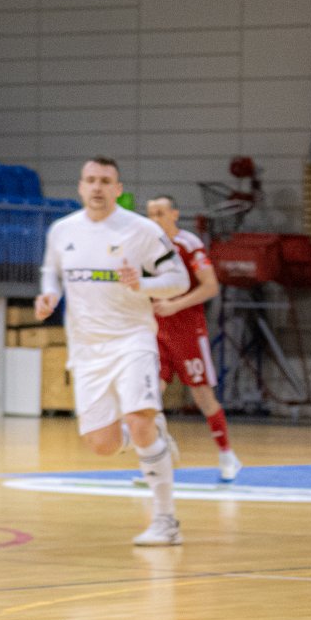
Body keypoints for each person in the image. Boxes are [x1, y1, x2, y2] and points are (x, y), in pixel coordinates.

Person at [35, 159, 191, 546]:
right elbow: (51, 270)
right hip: (87, 349)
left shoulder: (141, 230)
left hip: (132, 340)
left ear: (118, 189)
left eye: (105, 181)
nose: (97, 187)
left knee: (138, 420)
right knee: (101, 445)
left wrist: (144, 285)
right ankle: (150, 433)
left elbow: (180, 280)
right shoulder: (62, 230)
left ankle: (166, 520)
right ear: (80, 186)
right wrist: (49, 294)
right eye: (91, 180)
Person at [145, 195, 239, 482]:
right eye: (150, 214)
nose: (154, 219)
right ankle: (158, 459)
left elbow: (210, 287)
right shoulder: (145, 246)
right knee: (149, 394)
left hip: (187, 330)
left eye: (160, 213)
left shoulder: (189, 244)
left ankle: (227, 455)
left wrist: (175, 305)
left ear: (174, 214)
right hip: (155, 330)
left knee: (202, 395)